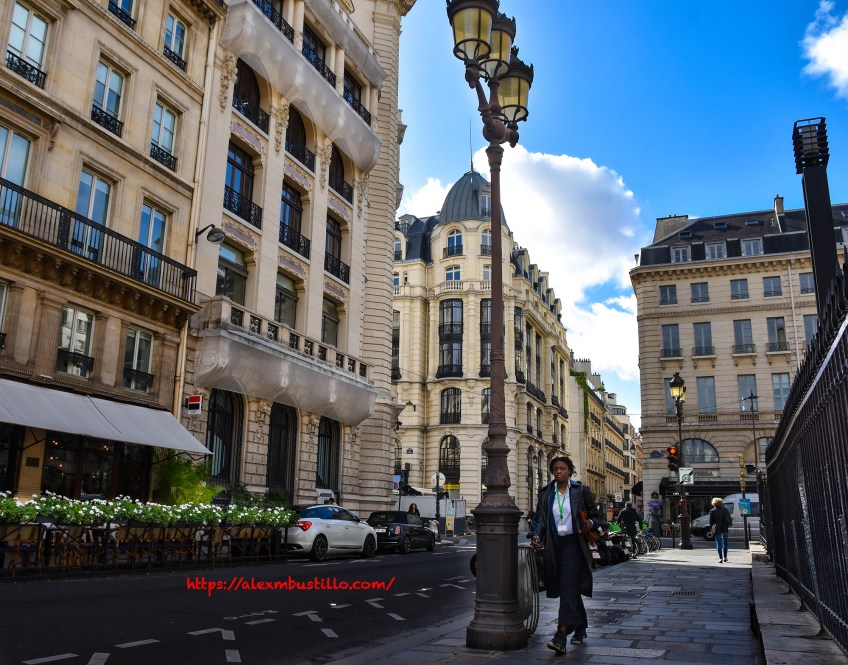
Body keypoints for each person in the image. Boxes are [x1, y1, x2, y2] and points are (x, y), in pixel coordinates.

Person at [531, 456, 604, 654]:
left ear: (570, 471)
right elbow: (540, 519)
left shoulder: (580, 491)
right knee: (568, 588)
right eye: (555, 469)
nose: (558, 472)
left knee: (567, 586)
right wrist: (536, 535)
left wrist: (590, 523)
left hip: (575, 544)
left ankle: (561, 635)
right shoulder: (546, 494)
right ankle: (580, 628)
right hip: (554, 545)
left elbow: (597, 516)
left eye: (562, 468)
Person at [709, 497, 732, 563]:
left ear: (714, 503)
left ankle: (720, 558)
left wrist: (712, 530)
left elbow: (711, 522)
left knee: (719, 543)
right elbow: (729, 519)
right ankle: (725, 557)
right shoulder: (725, 510)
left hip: (717, 528)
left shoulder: (712, 511)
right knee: (725, 543)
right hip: (724, 527)